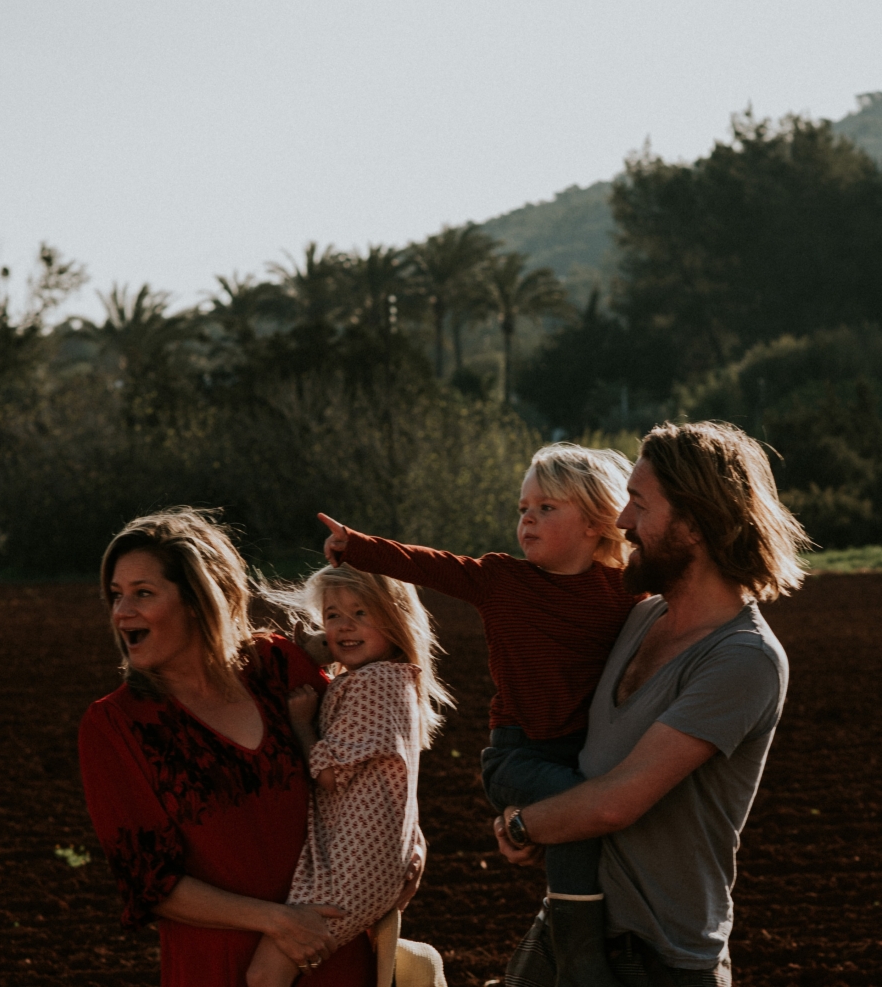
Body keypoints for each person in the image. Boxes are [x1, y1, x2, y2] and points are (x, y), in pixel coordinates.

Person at [494, 421, 810, 987]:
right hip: (570, 930)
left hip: (659, 961)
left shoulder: (743, 658)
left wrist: (524, 824)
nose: (621, 522)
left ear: (693, 522)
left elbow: (618, 802)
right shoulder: (640, 619)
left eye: (638, 504)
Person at [320, 444, 642, 986]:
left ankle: (550, 966)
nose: (527, 520)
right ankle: (584, 958)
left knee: (585, 819)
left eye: (545, 508)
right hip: (517, 756)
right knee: (582, 811)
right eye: (522, 509)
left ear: (594, 522)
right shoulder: (501, 581)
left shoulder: (625, 591)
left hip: (585, 753)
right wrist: (356, 547)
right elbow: (428, 565)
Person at [78, 509, 397, 987]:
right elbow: (152, 884)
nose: (122, 612)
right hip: (222, 967)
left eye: (143, 593)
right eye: (116, 596)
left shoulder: (277, 669)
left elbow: (370, 770)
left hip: (334, 953)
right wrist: (276, 921)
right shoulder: (115, 727)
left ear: (199, 599)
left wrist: (402, 852)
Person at [245, 562, 452, 987]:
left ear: (395, 618)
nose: (344, 626)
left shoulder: (368, 685)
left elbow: (328, 777)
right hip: (376, 860)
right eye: (333, 615)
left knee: (265, 975)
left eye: (361, 613)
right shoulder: (397, 679)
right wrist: (315, 650)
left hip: (350, 868)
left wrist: (302, 723)